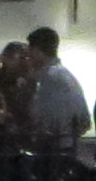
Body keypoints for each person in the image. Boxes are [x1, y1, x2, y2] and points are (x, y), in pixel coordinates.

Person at [20, 24, 91, 165]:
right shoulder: (65, 75)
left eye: (30, 50)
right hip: (67, 143)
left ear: (37, 51)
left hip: (55, 147)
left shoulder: (51, 78)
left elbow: (46, 116)